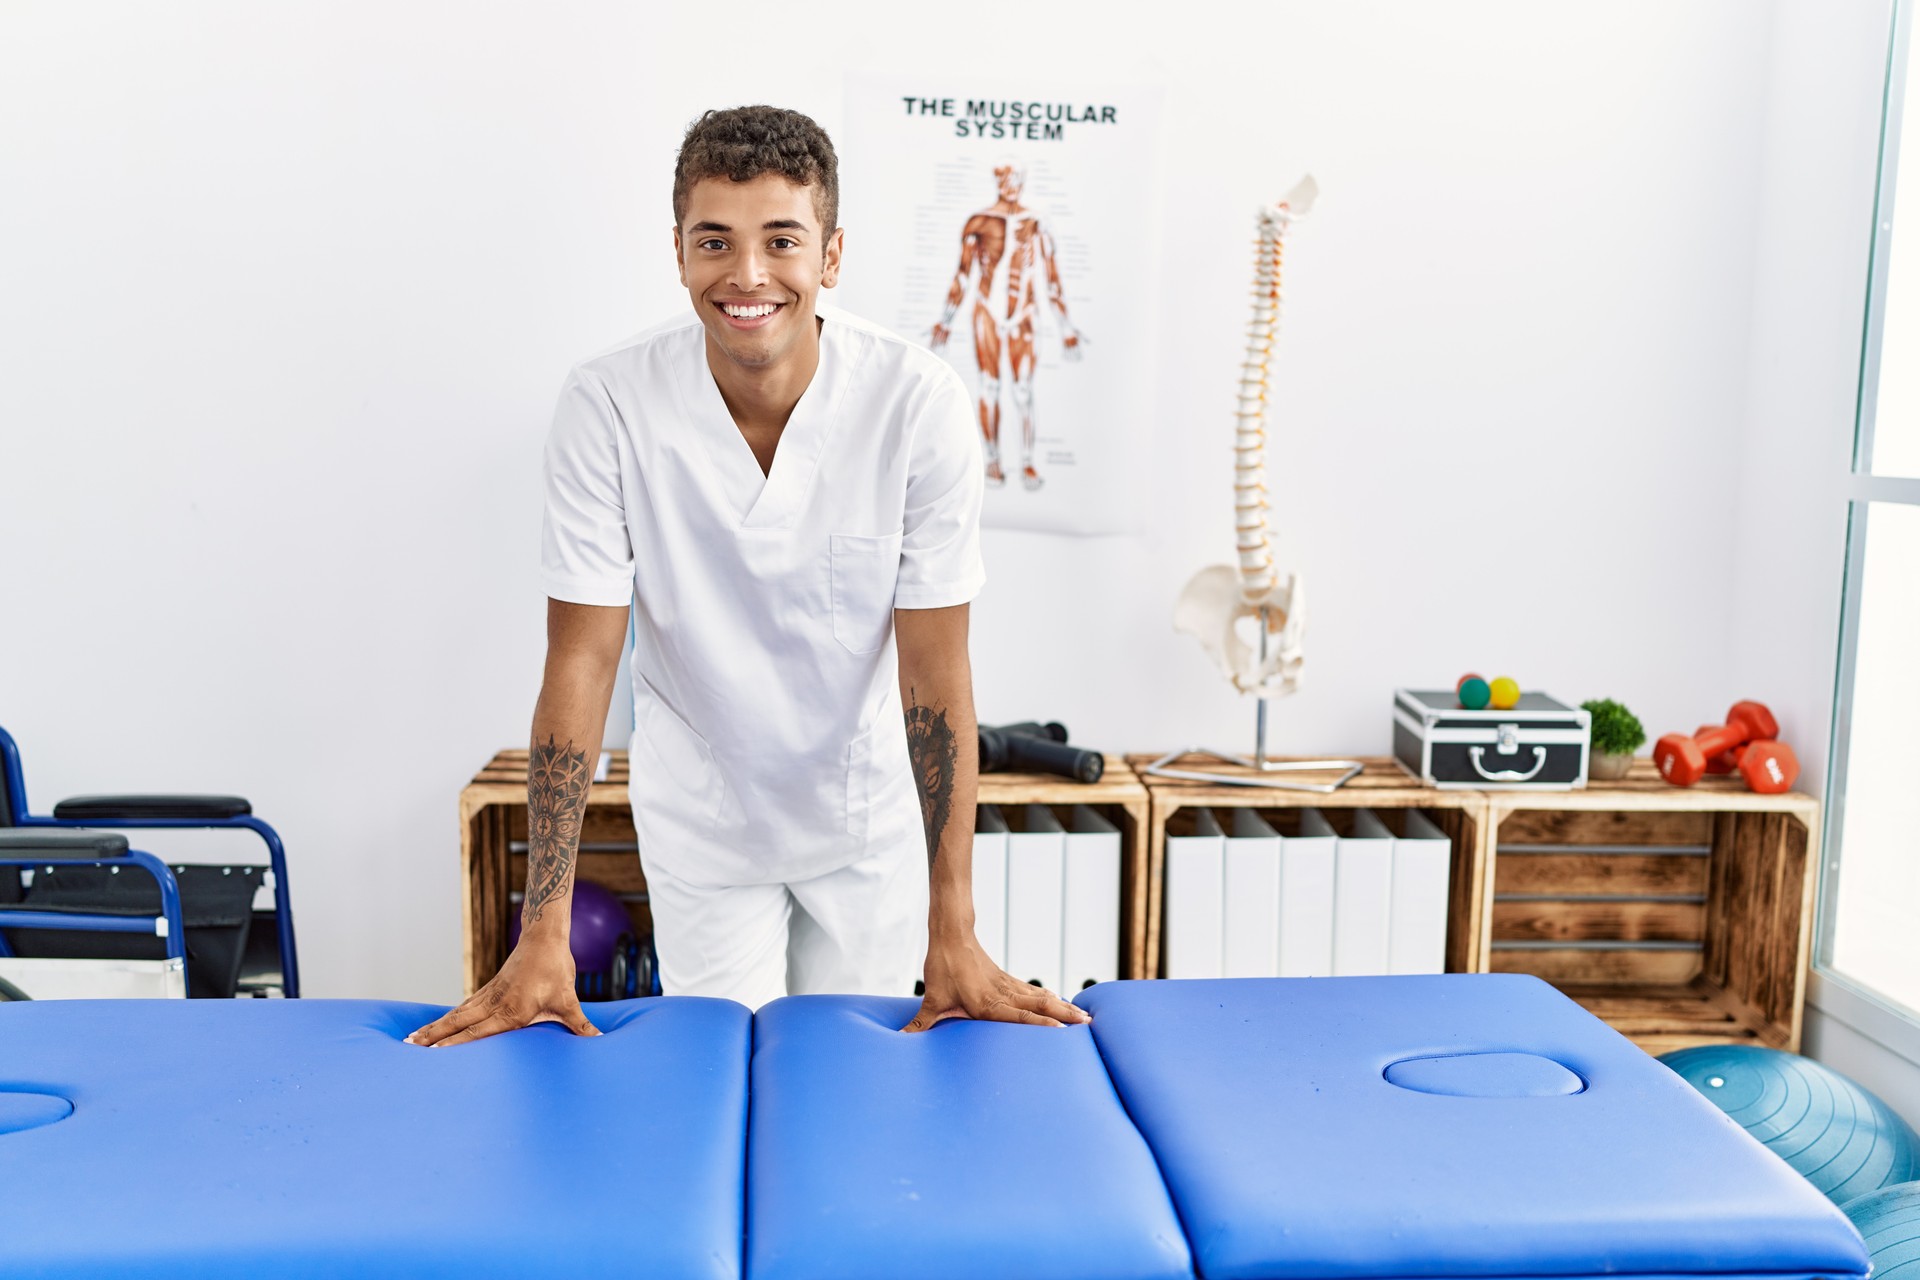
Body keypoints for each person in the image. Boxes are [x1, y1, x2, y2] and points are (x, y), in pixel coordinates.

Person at [408, 106, 1088, 1046]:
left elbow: (936, 674)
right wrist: (543, 931)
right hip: (706, 824)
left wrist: (955, 927)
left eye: (782, 240)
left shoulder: (915, 404)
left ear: (832, 254)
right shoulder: (608, 404)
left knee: (850, 1083)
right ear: (679, 252)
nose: (748, 275)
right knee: (721, 1070)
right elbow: (582, 660)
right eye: (715, 241)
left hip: (864, 825)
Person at [929, 160, 1082, 492]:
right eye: (1006, 177)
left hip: (1024, 314)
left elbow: (1052, 275)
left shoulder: (1037, 222)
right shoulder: (979, 222)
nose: (1012, 183)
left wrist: (1066, 326)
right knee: (990, 387)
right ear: (997, 179)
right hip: (987, 312)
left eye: (1018, 177)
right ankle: (994, 460)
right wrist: (946, 320)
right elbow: (963, 273)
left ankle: (1027, 461)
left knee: (1024, 390)